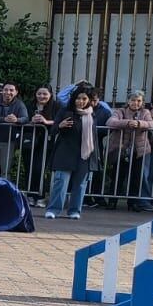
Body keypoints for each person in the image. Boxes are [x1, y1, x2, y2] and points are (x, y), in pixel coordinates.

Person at [49, 87, 100, 219]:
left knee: (81, 184)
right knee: (60, 182)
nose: (81, 101)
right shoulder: (65, 110)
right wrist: (60, 126)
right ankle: (54, 209)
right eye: (78, 98)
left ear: (89, 100)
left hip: (85, 154)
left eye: (84, 99)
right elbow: (53, 129)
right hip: (65, 151)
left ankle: (74, 211)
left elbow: (94, 136)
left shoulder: (91, 114)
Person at [105, 90, 153, 211]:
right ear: (128, 101)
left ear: (142, 102)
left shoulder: (145, 112)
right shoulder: (120, 111)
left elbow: (151, 124)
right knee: (117, 176)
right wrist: (127, 123)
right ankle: (112, 201)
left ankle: (132, 203)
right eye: (133, 100)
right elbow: (110, 122)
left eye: (139, 101)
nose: (136, 103)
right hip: (121, 149)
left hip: (139, 150)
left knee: (136, 177)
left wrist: (138, 123)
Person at [22, 86, 58, 207]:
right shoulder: (28, 106)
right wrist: (30, 121)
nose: (42, 96)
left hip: (46, 142)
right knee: (29, 167)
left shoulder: (56, 106)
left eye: (45, 94)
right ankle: (30, 195)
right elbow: (22, 119)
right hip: (29, 141)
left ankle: (41, 196)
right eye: (39, 93)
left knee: (40, 169)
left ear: (50, 95)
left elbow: (61, 120)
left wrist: (46, 122)